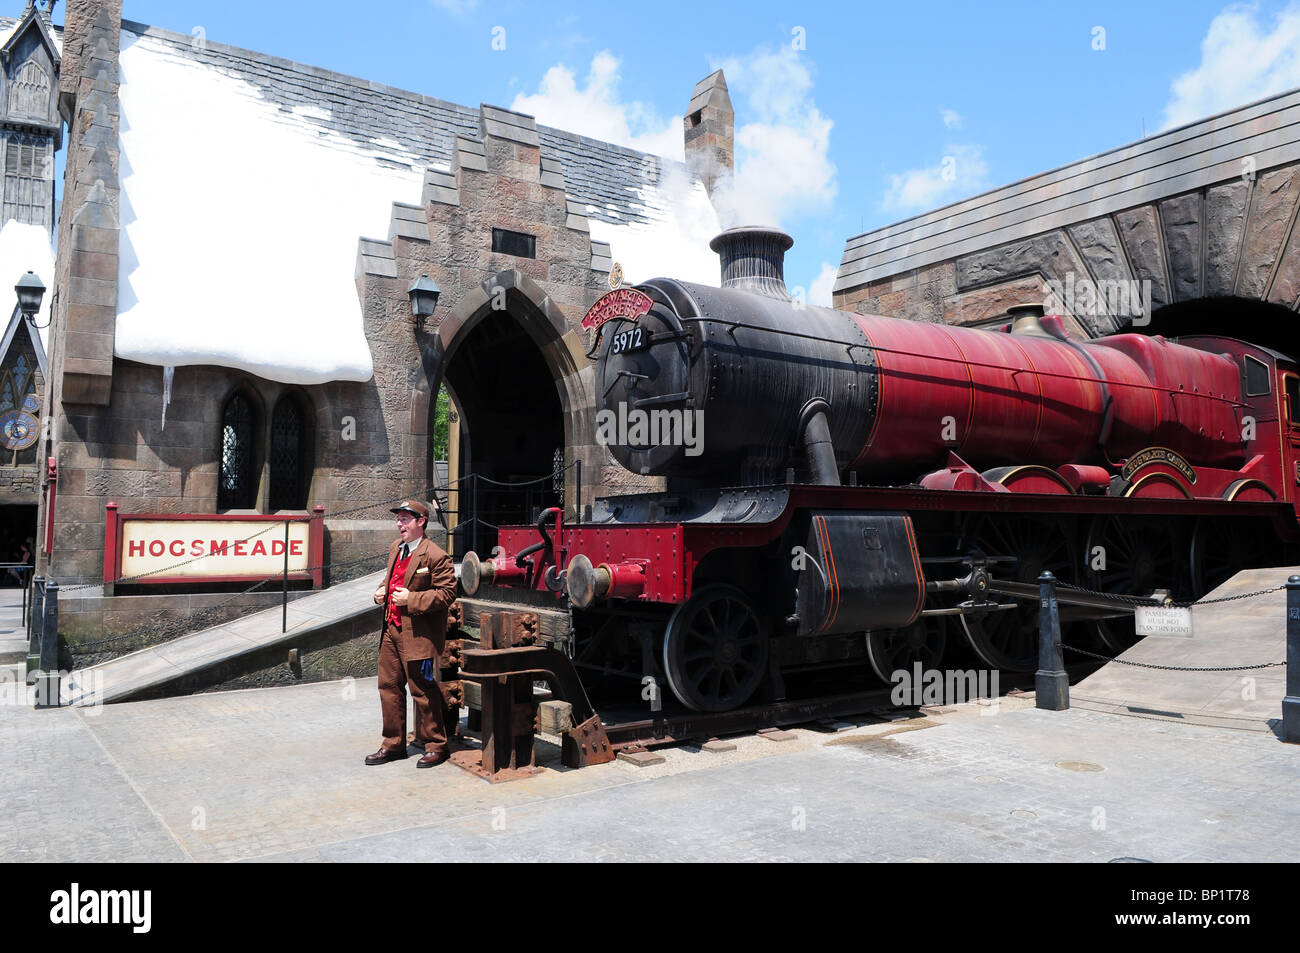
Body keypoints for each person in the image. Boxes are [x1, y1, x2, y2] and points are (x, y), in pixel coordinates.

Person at [365, 500, 458, 769]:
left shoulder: (436, 555)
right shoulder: (397, 548)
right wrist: (379, 592)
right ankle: (393, 744)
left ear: (421, 522)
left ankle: (436, 746)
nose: (399, 524)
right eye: (399, 519)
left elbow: (447, 593)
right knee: (388, 686)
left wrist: (411, 598)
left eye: (405, 519)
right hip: (391, 629)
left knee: (423, 689)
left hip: (418, 635)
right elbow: (392, 579)